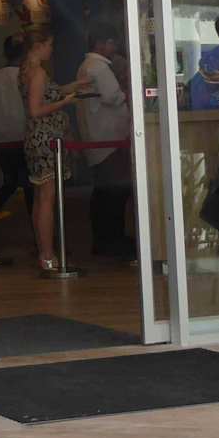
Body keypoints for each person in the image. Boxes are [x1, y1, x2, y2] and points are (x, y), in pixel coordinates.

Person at [21, 29, 87, 274]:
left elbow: (44, 93)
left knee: (40, 198)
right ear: (38, 46)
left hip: (35, 138)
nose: (51, 49)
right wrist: (65, 102)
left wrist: (71, 87)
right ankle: (48, 254)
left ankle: (44, 251)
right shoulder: (38, 72)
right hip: (46, 139)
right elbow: (36, 109)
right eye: (49, 45)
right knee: (47, 199)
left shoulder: (26, 70)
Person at [76, 25, 136, 263]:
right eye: (111, 42)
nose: (114, 47)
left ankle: (106, 238)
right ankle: (112, 240)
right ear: (100, 44)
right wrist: (127, 91)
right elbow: (113, 97)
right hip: (108, 138)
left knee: (104, 191)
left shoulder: (87, 65)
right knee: (114, 192)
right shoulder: (99, 67)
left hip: (97, 137)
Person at [0, 35, 30, 224]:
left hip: (1, 138)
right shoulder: (28, 76)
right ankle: (40, 231)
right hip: (24, 136)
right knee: (30, 186)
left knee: (8, 183)